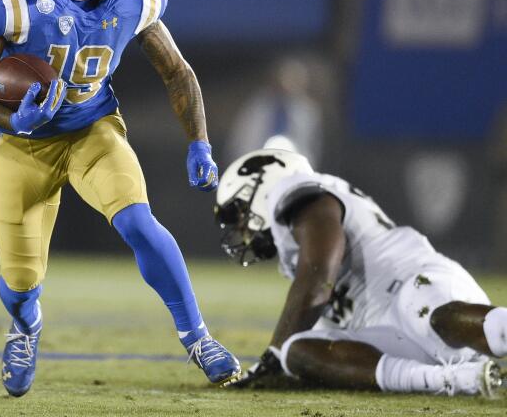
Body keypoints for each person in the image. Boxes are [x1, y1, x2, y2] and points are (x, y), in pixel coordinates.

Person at [0, 0, 240, 397]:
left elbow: (177, 71)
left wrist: (200, 141)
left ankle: (198, 337)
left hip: (91, 130)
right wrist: (12, 120)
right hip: (22, 146)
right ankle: (26, 323)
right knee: (19, 283)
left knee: (139, 222)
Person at [212, 148, 505, 396]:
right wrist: (283, 357)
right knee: (297, 351)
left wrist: (271, 357)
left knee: (432, 316)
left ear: (263, 184)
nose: (242, 228)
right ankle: (454, 379)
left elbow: (319, 277)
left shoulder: (293, 191)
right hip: (389, 330)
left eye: (238, 212)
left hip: (415, 285)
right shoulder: (292, 248)